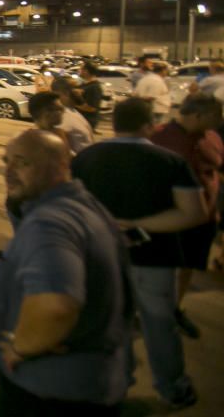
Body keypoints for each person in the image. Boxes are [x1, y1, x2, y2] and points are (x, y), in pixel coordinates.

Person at [72, 98, 207, 409]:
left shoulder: (86, 158)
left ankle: (116, 382)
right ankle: (172, 387)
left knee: (111, 323)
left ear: (115, 123)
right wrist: (136, 224)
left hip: (102, 256)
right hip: (155, 257)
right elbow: (193, 213)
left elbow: (73, 206)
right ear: (149, 125)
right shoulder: (169, 161)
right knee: (160, 326)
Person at [0, 129, 131, 415]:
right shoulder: (85, 206)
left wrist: (20, 348)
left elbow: (56, 307)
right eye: (7, 161)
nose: (9, 171)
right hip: (89, 382)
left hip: (48, 392)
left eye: (22, 162)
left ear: (62, 165)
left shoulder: (50, 223)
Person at [149, 94, 224, 340]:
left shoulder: (212, 137)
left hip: (204, 218)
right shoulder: (161, 136)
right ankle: (152, 312)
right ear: (197, 115)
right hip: (170, 217)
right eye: (216, 114)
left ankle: (175, 309)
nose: (220, 119)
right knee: (163, 268)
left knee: (188, 266)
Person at [50, 77, 94, 154]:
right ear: (66, 93)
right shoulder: (60, 118)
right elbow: (62, 154)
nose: (81, 91)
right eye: (76, 88)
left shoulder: (72, 112)